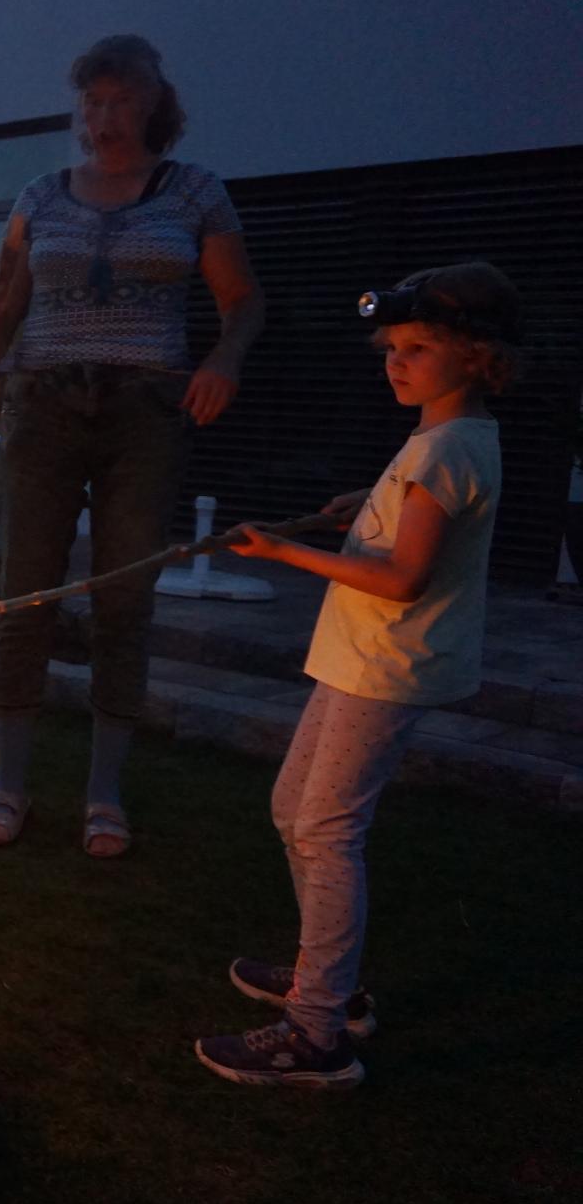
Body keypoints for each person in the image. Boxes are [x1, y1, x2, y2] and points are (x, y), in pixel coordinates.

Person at [194, 262, 520, 1088]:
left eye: (419, 348)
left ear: (477, 357)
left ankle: (317, 1034)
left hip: (386, 665)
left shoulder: (448, 448)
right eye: (391, 348)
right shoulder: (442, 438)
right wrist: (361, 504)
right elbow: (406, 520)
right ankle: (325, 983)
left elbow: (404, 578)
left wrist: (283, 551)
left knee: (328, 832)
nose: (397, 363)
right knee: (292, 813)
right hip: (361, 661)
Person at [0, 33, 265, 856]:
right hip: (43, 406)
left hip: (144, 411)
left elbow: (243, 301)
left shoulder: (194, 192)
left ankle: (103, 795)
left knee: (123, 597)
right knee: (26, 592)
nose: (105, 116)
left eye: (122, 99)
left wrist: (223, 361)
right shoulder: (41, 196)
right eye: (92, 101)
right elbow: (4, 296)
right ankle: (9, 784)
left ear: (155, 105)